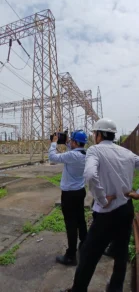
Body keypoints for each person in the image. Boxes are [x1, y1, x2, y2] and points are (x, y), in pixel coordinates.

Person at [60, 117, 139, 292]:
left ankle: (78, 289)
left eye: (94, 133)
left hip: (107, 213)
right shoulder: (126, 153)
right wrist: (137, 193)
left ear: (99, 134)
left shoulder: (95, 151)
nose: (94, 136)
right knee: (121, 253)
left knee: (88, 255)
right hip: (126, 209)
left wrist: (102, 199)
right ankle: (115, 288)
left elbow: (89, 175)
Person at [48, 130, 88, 266]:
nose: (70, 141)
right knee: (80, 218)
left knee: (71, 223)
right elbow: (76, 150)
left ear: (76, 142)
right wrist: (67, 143)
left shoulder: (72, 155)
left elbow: (52, 157)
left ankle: (71, 256)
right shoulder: (85, 153)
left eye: (72, 140)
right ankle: (85, 243)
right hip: (80, 191)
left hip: (69, 194)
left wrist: (54, 143)